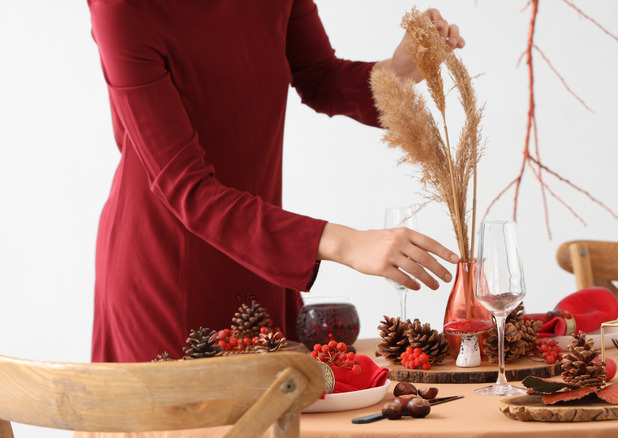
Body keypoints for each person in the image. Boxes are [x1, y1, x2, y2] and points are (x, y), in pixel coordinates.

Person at [87, 0, 466, 362]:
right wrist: (346, 243)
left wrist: (397, 72)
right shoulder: (123, 9)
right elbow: (188, 189)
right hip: (165, 276)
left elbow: (319, 77)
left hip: (260, 258)